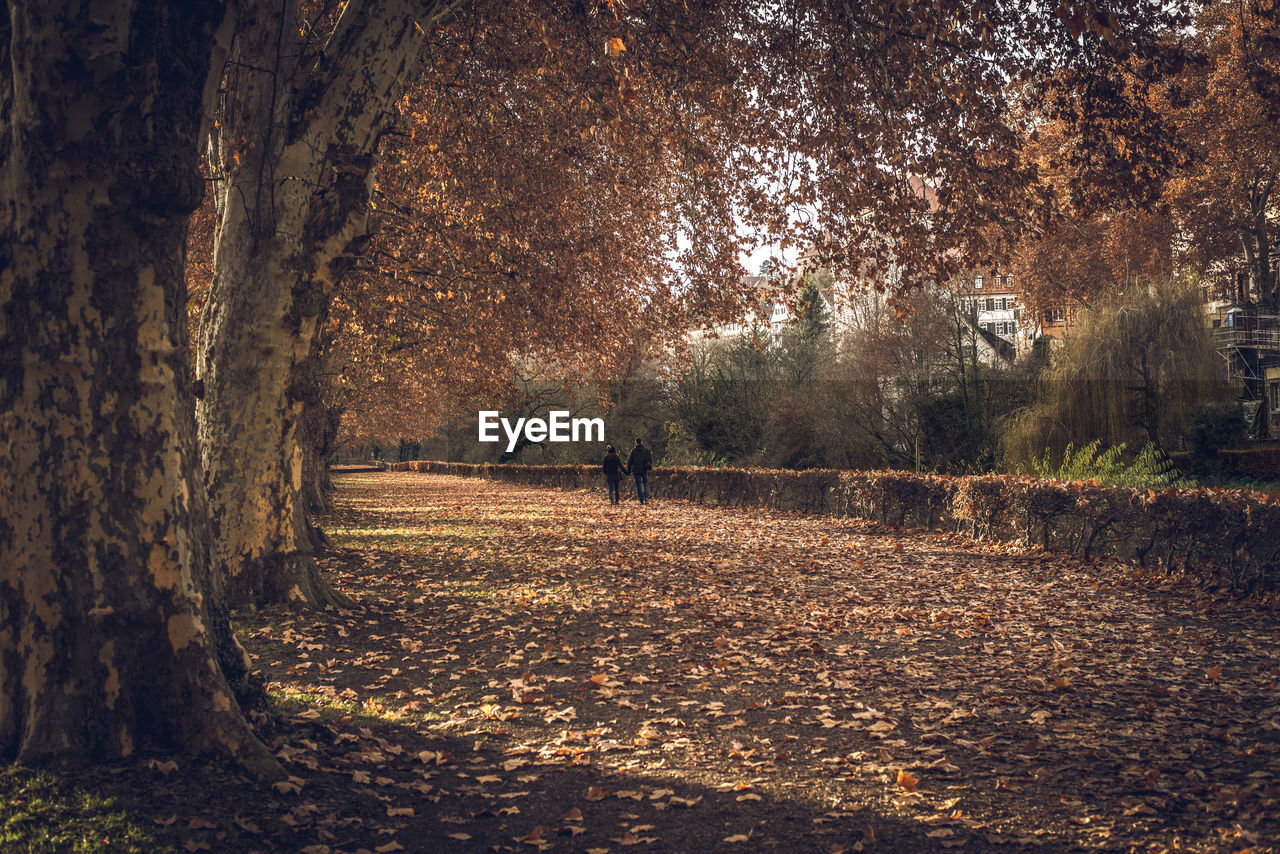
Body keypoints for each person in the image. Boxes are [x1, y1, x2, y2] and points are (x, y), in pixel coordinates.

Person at [627, 437, 653, 504]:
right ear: (641, 442)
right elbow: (650, 460)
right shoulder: (646, 450)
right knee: (645, 484)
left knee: (639, 486)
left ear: (636, 442)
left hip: (636, 471)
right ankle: (646, 497)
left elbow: (630, 462)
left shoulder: (633, 452)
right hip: (644, 470)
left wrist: (628, 471)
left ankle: (641, 500)